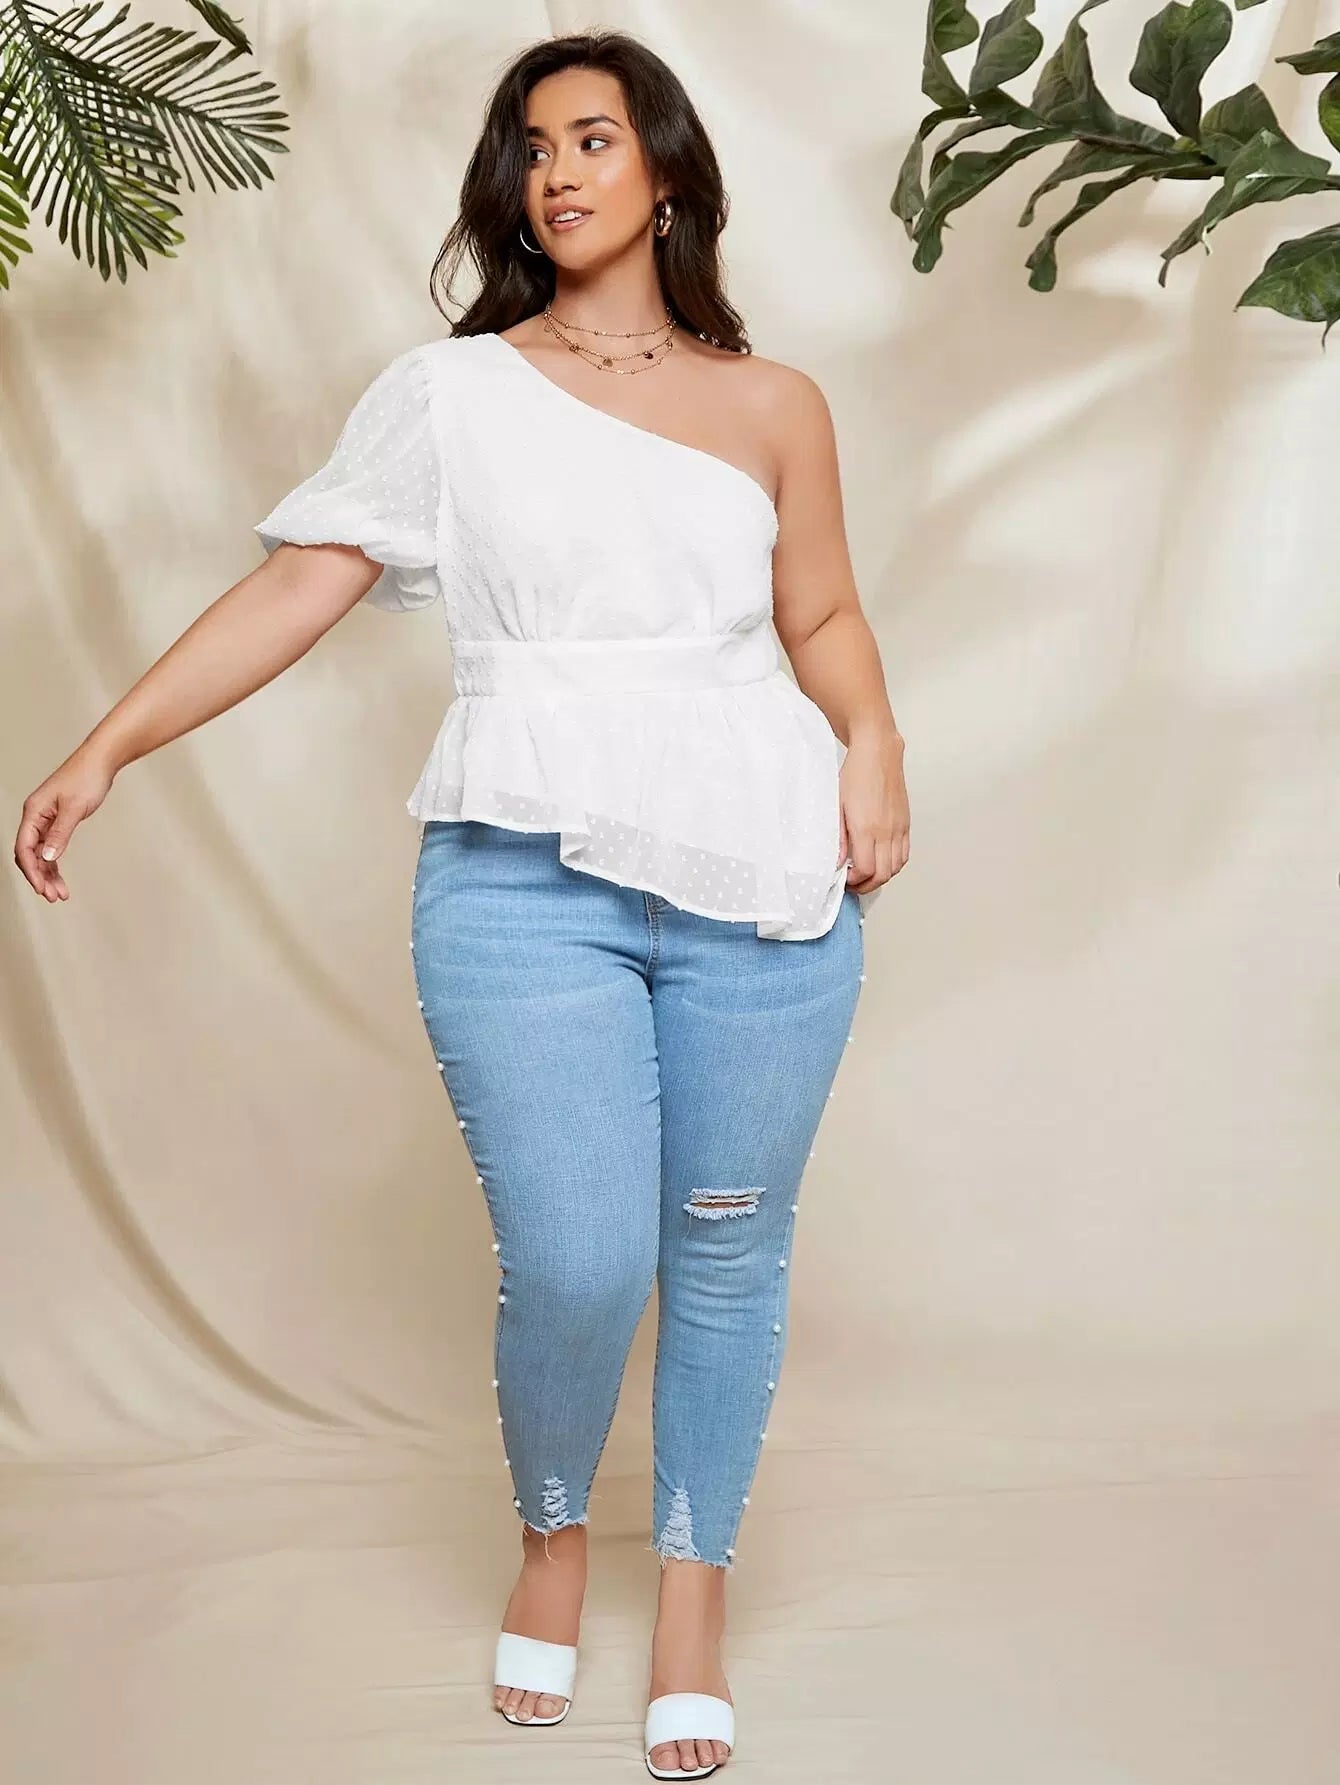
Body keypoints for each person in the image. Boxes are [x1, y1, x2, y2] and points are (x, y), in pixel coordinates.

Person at [13, 27, 909, 1782]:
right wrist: (107, 743)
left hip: (759, 863)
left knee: (728, 1238)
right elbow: (302, 585)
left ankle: (696, 1589)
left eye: (593, 137)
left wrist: (873, 741)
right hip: (519, 868)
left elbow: (820, 614)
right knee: (578, 1255)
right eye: (532, 146)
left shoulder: (774, 404)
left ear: (668, 170)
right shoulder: (452, 395)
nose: (557, 171)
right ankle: (554, 1533)